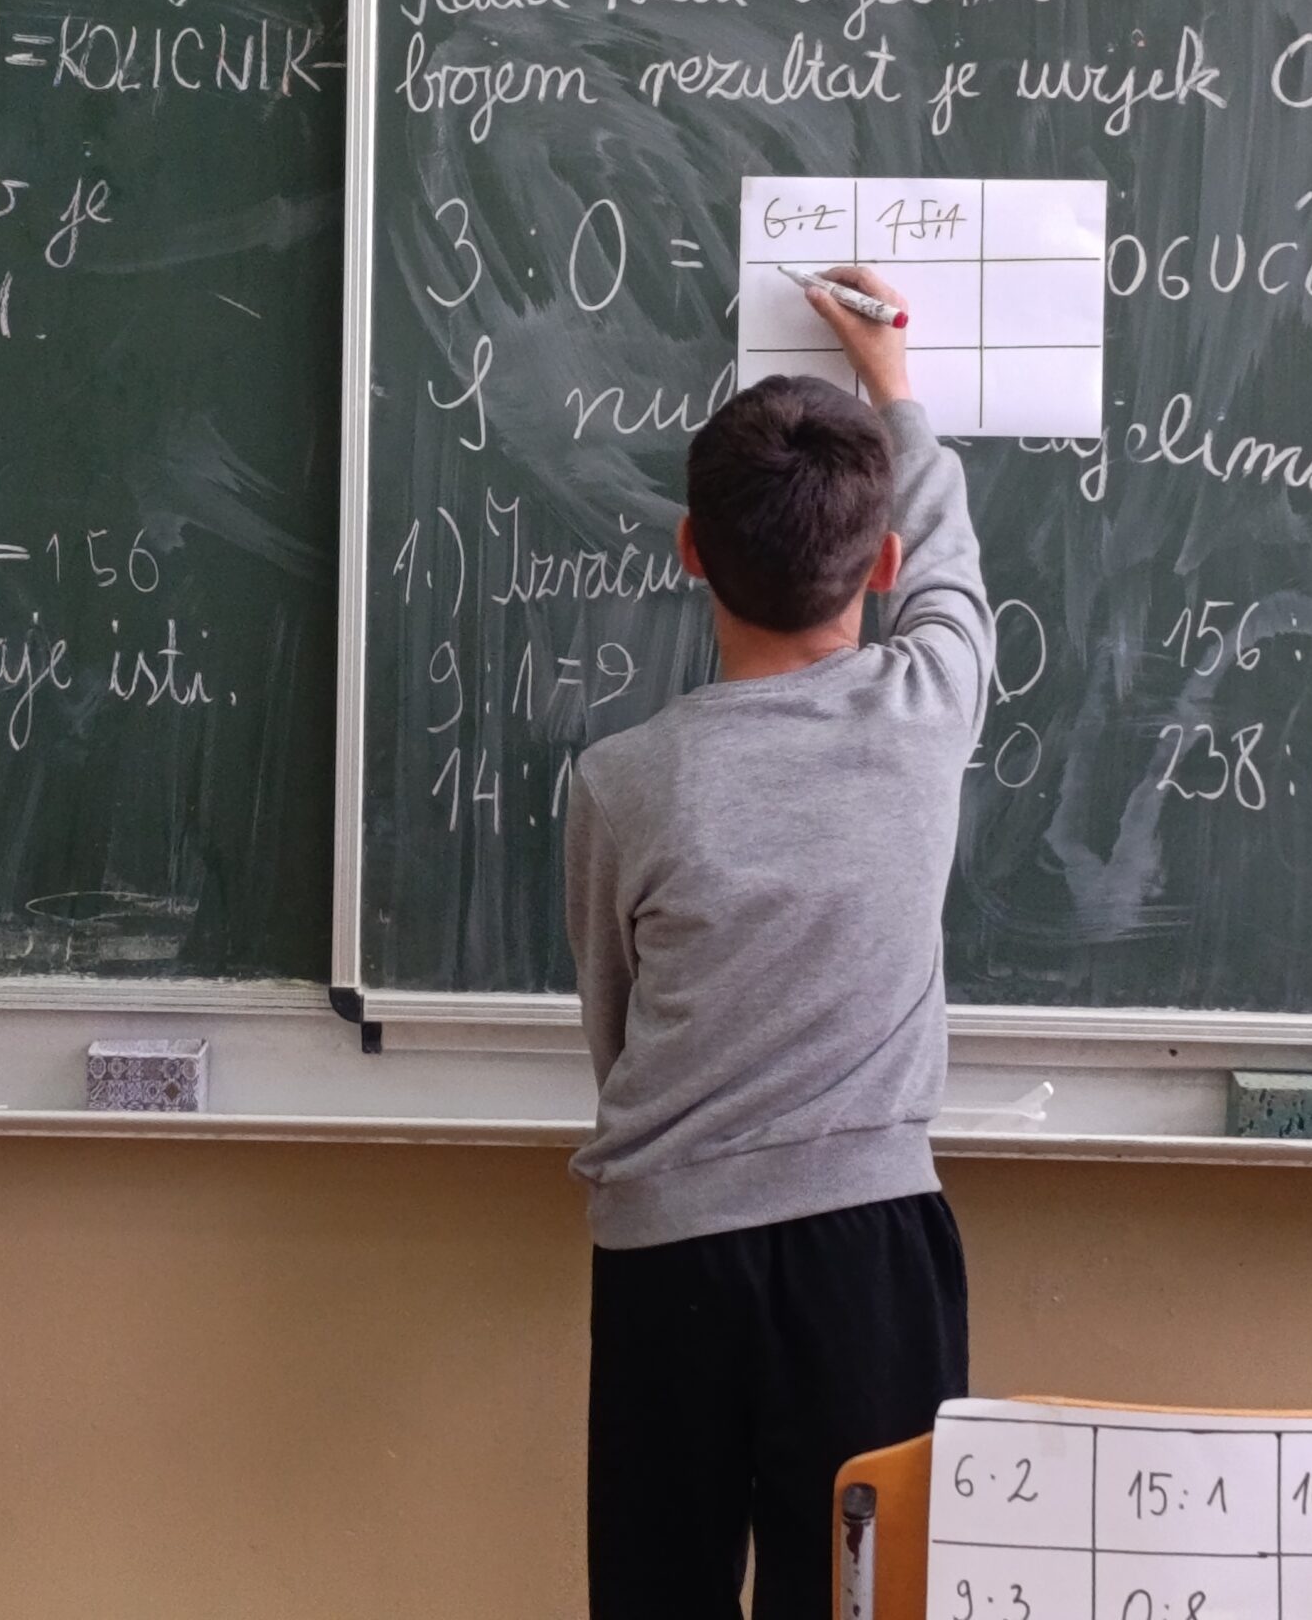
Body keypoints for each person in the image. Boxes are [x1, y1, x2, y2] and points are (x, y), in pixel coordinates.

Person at [564, 268, 993, 1620]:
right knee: (865, 1599)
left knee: (661, 1591)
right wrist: (895, 385)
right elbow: (954, 569)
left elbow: (611, 1018)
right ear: (882, 566)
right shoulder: (924, 714)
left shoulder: (621, 782)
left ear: (689, 551)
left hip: (669, 1252)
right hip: (870, 1250)